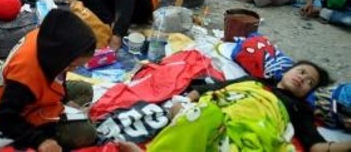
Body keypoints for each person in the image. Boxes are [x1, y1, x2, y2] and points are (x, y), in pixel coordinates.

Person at [149, 61, 351, 152]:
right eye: (302, 71)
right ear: (286, 71)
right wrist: (184, 103)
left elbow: (317, 146)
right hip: (217, 116)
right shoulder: (253, 81)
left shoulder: (299, 108)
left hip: (253, 132)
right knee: (201, 114)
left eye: (309, 82)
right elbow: (211, 88)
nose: (303, 78)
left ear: (308, 93)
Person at [0, 9, 97, 151]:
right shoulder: (25, 77)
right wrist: (40, 141)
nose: (73, 70)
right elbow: (4, 118)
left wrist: (66, 101)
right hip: (26, 111)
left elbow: (60, 79)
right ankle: (53, 129)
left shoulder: (49, 40)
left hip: (42, 92)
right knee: (86, 134)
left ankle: (68, 115)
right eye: (72, 65)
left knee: (84, 89)